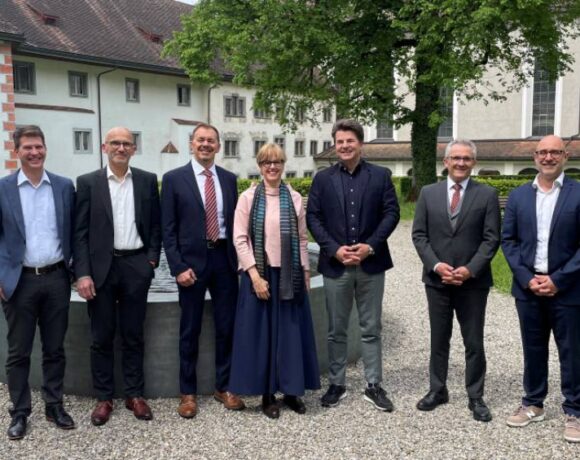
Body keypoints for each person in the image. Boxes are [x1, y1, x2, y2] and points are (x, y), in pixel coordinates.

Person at [307, 119, 399, 411]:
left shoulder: (380, 175)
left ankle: (374, 385)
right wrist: (334, 250)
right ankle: (337, 383)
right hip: (336, 265)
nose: (344, 146)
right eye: (340, 141)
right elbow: (313, 218)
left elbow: (391, 213)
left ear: (360, 143)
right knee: (336, 329)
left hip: (371, 263)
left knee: (371, 327)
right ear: (335, 145)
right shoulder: (322, 179)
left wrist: (369, 246)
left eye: (350, 141)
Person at [73, 127, 161, 426]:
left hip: (136, 265)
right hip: (101, 269)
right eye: (115, 143)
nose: (121, 148)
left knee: (133, 335)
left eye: (126, 143)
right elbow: (79, 233)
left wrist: (151, 261)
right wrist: (82, 273)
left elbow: (155, 226)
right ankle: (104, 397)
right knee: (101, 336)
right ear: (104, 147)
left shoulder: (147, 180)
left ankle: (135, 395)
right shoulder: (88, 183)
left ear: (133, 149)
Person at [228, 143, 320, 419]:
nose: (272, 167)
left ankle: (291, 392)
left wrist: (305, 272)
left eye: (277, 162)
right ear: (259, 166)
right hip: (260, 274)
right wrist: (254, 276)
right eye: (266, 162)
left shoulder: (294, 198)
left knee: (290, 335)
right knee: (263, 336)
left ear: (283, 165)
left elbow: (302, 239)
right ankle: (267, 395)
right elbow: (239, 239)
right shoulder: (247, 198)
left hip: (290, 274)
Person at [412, 139, 500, 422]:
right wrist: (437, 266)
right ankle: (438, 390)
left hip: (472, 282)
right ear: (446, 161)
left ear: (473, 162)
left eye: (466, 158)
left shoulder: (487, 195)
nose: (461, 163)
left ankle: (475, 396)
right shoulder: (428, 193)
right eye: (456, 158)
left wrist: (470, 269)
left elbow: (491, 239)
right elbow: (419, 235)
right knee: (439, 339)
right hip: (437, 281)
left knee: (473, 341)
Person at [161, 123, 244, 418]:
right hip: (191, 265)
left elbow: (235, 224)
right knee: (190, 329)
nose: (205, 144)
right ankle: (188, 393)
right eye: (200, 140)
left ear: (218, 146)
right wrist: (178, 267)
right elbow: (167, 229)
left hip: (224, 260)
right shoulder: (174, 179)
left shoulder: (229, 179)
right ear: (191, 144)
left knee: (227, 327)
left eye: (211, 140)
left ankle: (224, 387)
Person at [502, 135, 580, 443]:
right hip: (529, 289)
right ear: (535, 156)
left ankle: (575, 410)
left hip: (569, 289)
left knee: (572, 351)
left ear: (565, 156)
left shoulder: (577, 193)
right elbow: (509, 241)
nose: (548, 157)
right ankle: (533, 403)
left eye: (555, 152)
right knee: (533, 348)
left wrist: (559, 279)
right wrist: (526, 278)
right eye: (543, 152)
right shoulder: (519, 195)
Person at [0, 125, 75, 440]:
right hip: (19, 282)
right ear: (16, 151)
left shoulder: (63, 186)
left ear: (45, 148)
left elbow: (74, 232)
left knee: (55, 349)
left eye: (38, 146)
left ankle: (54, 405)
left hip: (57, 278)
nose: (34, 152)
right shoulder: (3, 188)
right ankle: (19, 411)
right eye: (28, 147)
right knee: (18, 352)